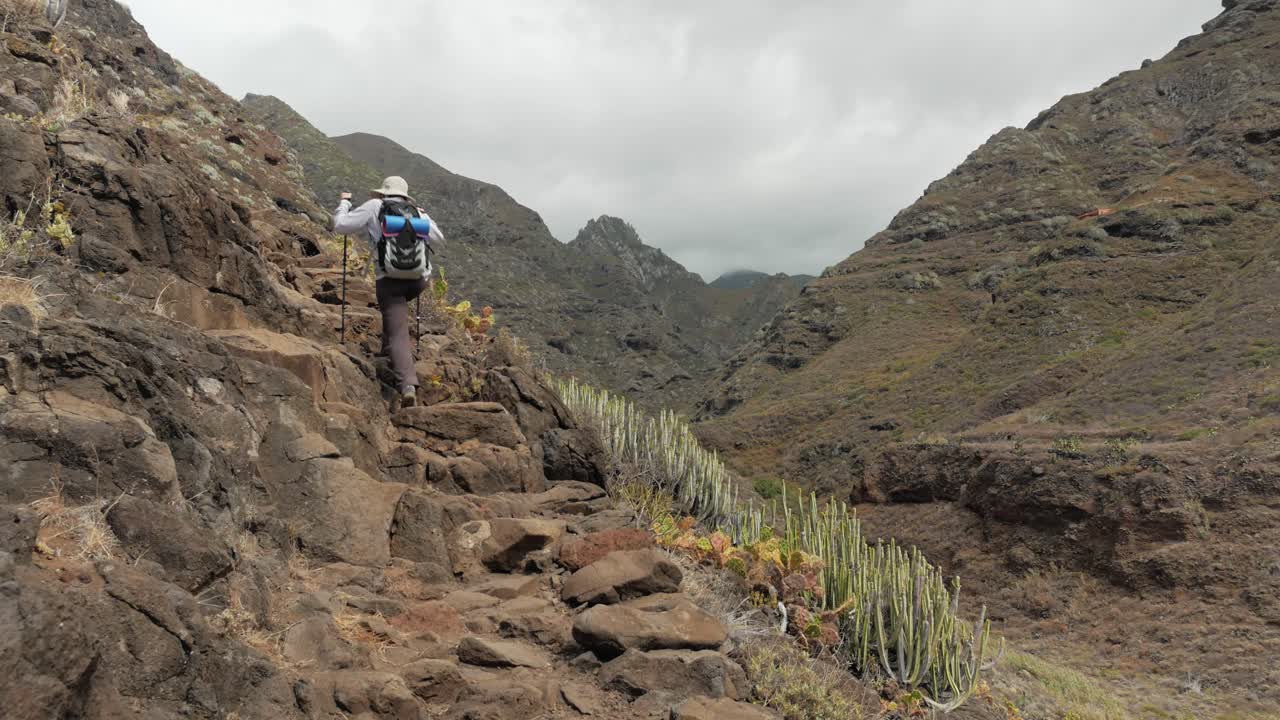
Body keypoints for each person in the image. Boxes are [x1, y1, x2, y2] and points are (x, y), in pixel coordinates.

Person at [332, 176, 444, 409]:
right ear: (405, 195)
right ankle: (387, 353)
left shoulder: (375, 206)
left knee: (398, 332)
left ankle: (407, 385)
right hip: (418, 279)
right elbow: (439, 239)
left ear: (383, 193)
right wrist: (426, 215)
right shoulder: (416, 212)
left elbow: (340, 226)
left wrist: (344, 204)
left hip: (390, 279)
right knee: (395, 320)